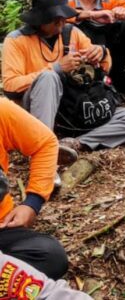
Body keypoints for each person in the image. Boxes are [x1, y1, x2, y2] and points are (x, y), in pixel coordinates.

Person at [2, 0, 125, 157]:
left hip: (74, 109)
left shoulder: (71, 33)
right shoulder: (16, 40)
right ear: (40, 18)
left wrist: (101, 53)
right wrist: (56, 68)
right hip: (35, 111)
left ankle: (76, 143)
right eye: (56, 18)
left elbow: (105, 68)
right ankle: (43, 152)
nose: (62, 21)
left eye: (64, 16)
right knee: (48, 78)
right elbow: (10, 86)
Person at [0, 98, 70, 281]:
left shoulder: (2, 111)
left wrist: (32, 202)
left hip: (2, 228)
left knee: (50, 256)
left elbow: (45, 143)